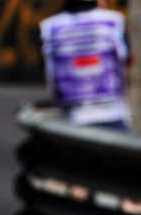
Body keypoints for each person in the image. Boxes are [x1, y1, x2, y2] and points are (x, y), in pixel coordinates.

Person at [39, 0, 131, 129]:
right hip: (113, 114)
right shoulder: (114, 21)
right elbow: (127, 60)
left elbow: (51, 74)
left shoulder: (50, 27)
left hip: (73, 117)